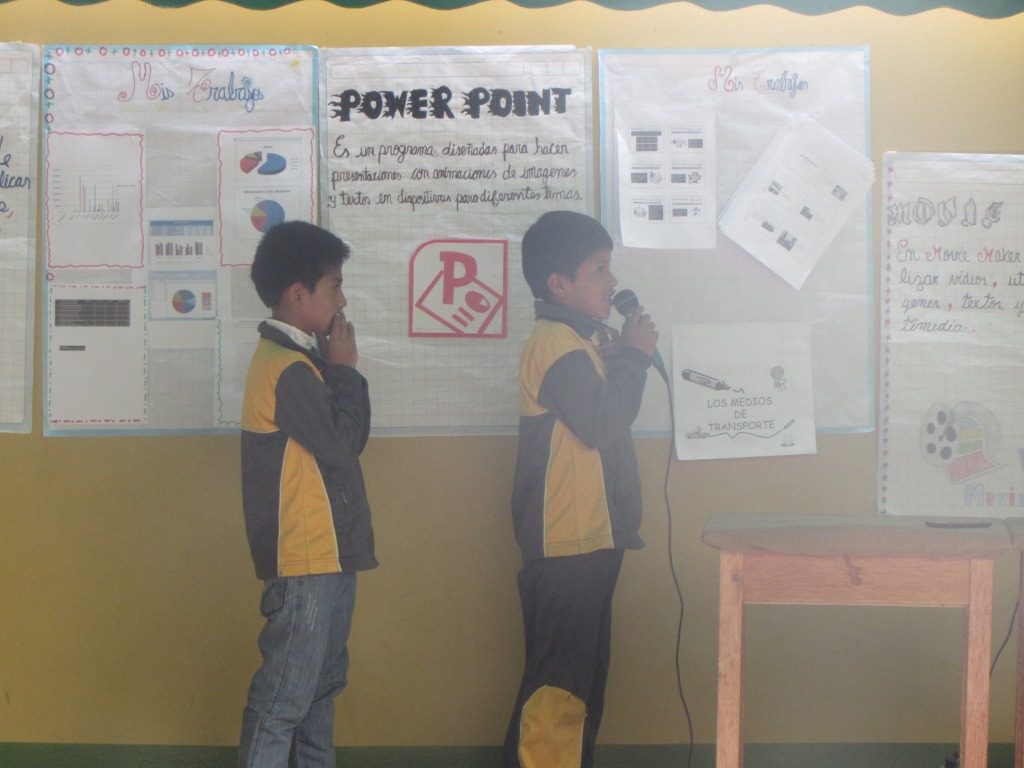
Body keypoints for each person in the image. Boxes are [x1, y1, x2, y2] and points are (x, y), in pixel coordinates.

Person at [502, 210, 659, 768]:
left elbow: (597, 421)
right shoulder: (556, 345)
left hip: (587, 539)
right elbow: (600, 425)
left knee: (578, 685)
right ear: (559, 284)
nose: (612, 281)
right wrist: (635, 358)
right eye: (598, 269)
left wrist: (620, 363)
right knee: (559, 689)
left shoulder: (577, 344)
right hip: (567, 543)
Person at [238, 220, 377, 768]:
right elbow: (342, 444)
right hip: (306, 561)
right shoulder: (287, 368)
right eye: (334, 286)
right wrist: (344, 371)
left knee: (319, 693)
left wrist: (334, 369)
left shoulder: (302, 362)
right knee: (283, 701)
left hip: (328, 556)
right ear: (299, 295)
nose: (342, 300)